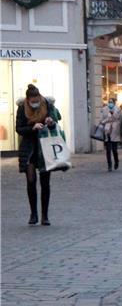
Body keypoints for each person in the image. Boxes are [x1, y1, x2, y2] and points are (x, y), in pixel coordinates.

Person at [16, 84, 62, 226]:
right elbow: (19, 128)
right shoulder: (22, 108)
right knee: (31, 181)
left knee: (45, 182)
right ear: (28, 99)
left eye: (37, 99)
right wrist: (32, 127)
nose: (35, 102)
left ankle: (45, 215)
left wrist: (50, 122)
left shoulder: (46, 104)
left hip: (45, 147)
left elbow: (55, 124)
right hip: (29, 148)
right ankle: (33, 214)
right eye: (32, 100)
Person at [99, 97, 122, 172]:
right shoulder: (104, 109)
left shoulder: (118, 109)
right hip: (107, 131)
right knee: (108, 150)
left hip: (114, 131)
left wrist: (107, 119)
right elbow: (101, 119)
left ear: (114, 103)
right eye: (109, 102)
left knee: (114, 149)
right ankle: (109, 165)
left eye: (111, 102)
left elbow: (117, 118)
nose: (110, 103)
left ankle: (116, 161)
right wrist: (105, 121)